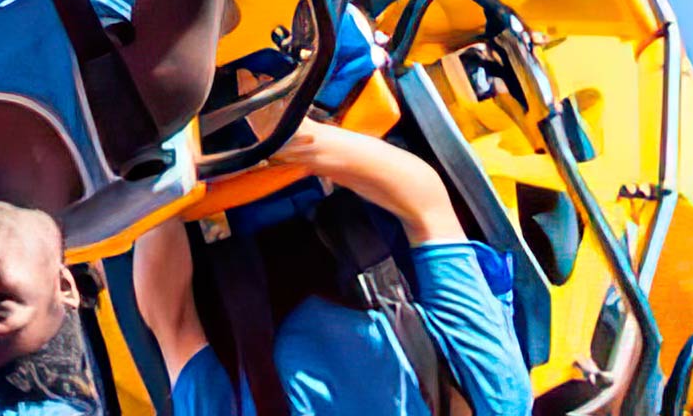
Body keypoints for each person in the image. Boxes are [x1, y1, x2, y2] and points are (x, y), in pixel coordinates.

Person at [128, 120, 535, 416]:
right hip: (324, 146)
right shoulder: (492, 400)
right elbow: (425, 206)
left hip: (192, 199)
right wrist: (297, 135)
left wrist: (153, 181)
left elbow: (173, 320)